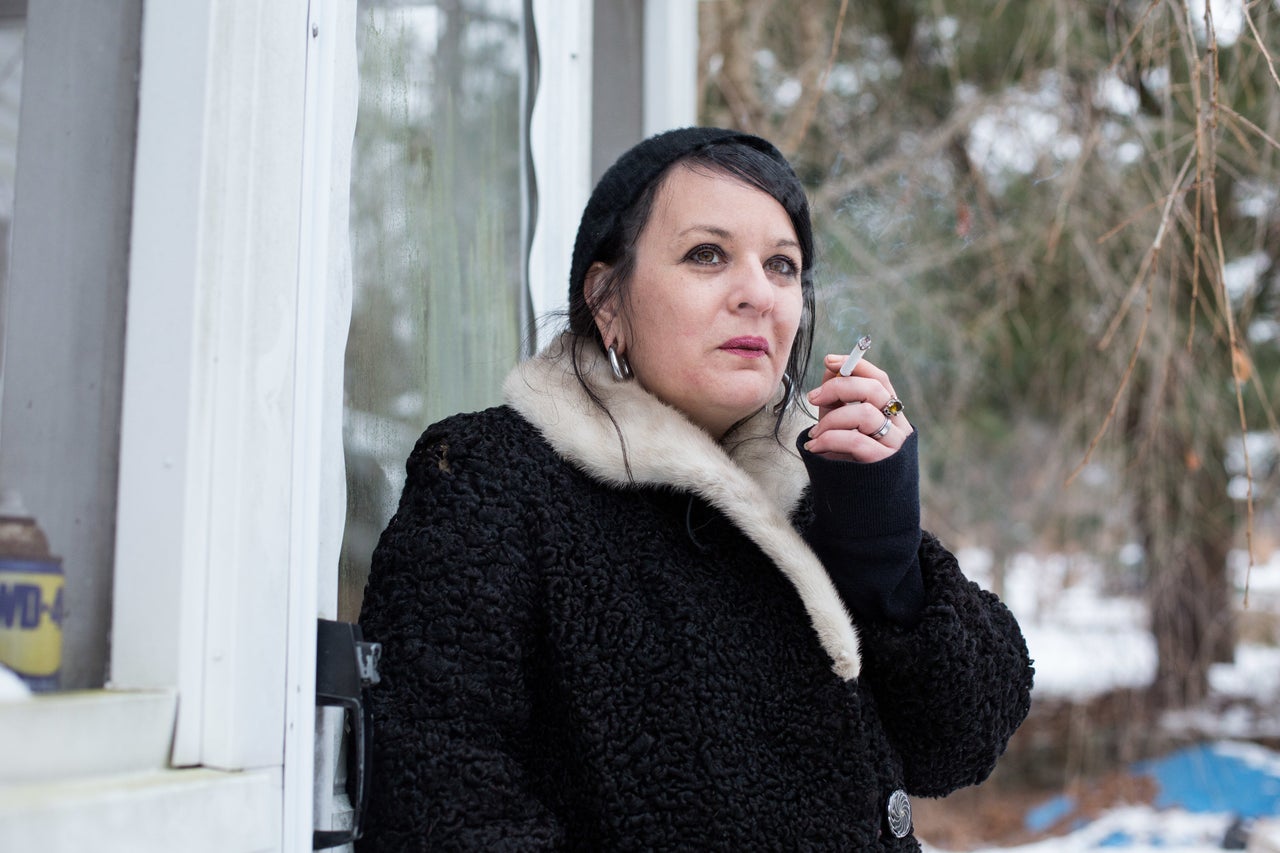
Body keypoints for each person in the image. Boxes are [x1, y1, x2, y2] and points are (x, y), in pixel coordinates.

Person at [356, 127, 1034, 851]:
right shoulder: (495, 479)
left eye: (782, 265)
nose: (757, 295)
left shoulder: (813, 488)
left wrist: (887, 563)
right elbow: (439, 798)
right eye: (706, 254)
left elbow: (960, 743)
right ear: (606, 300)